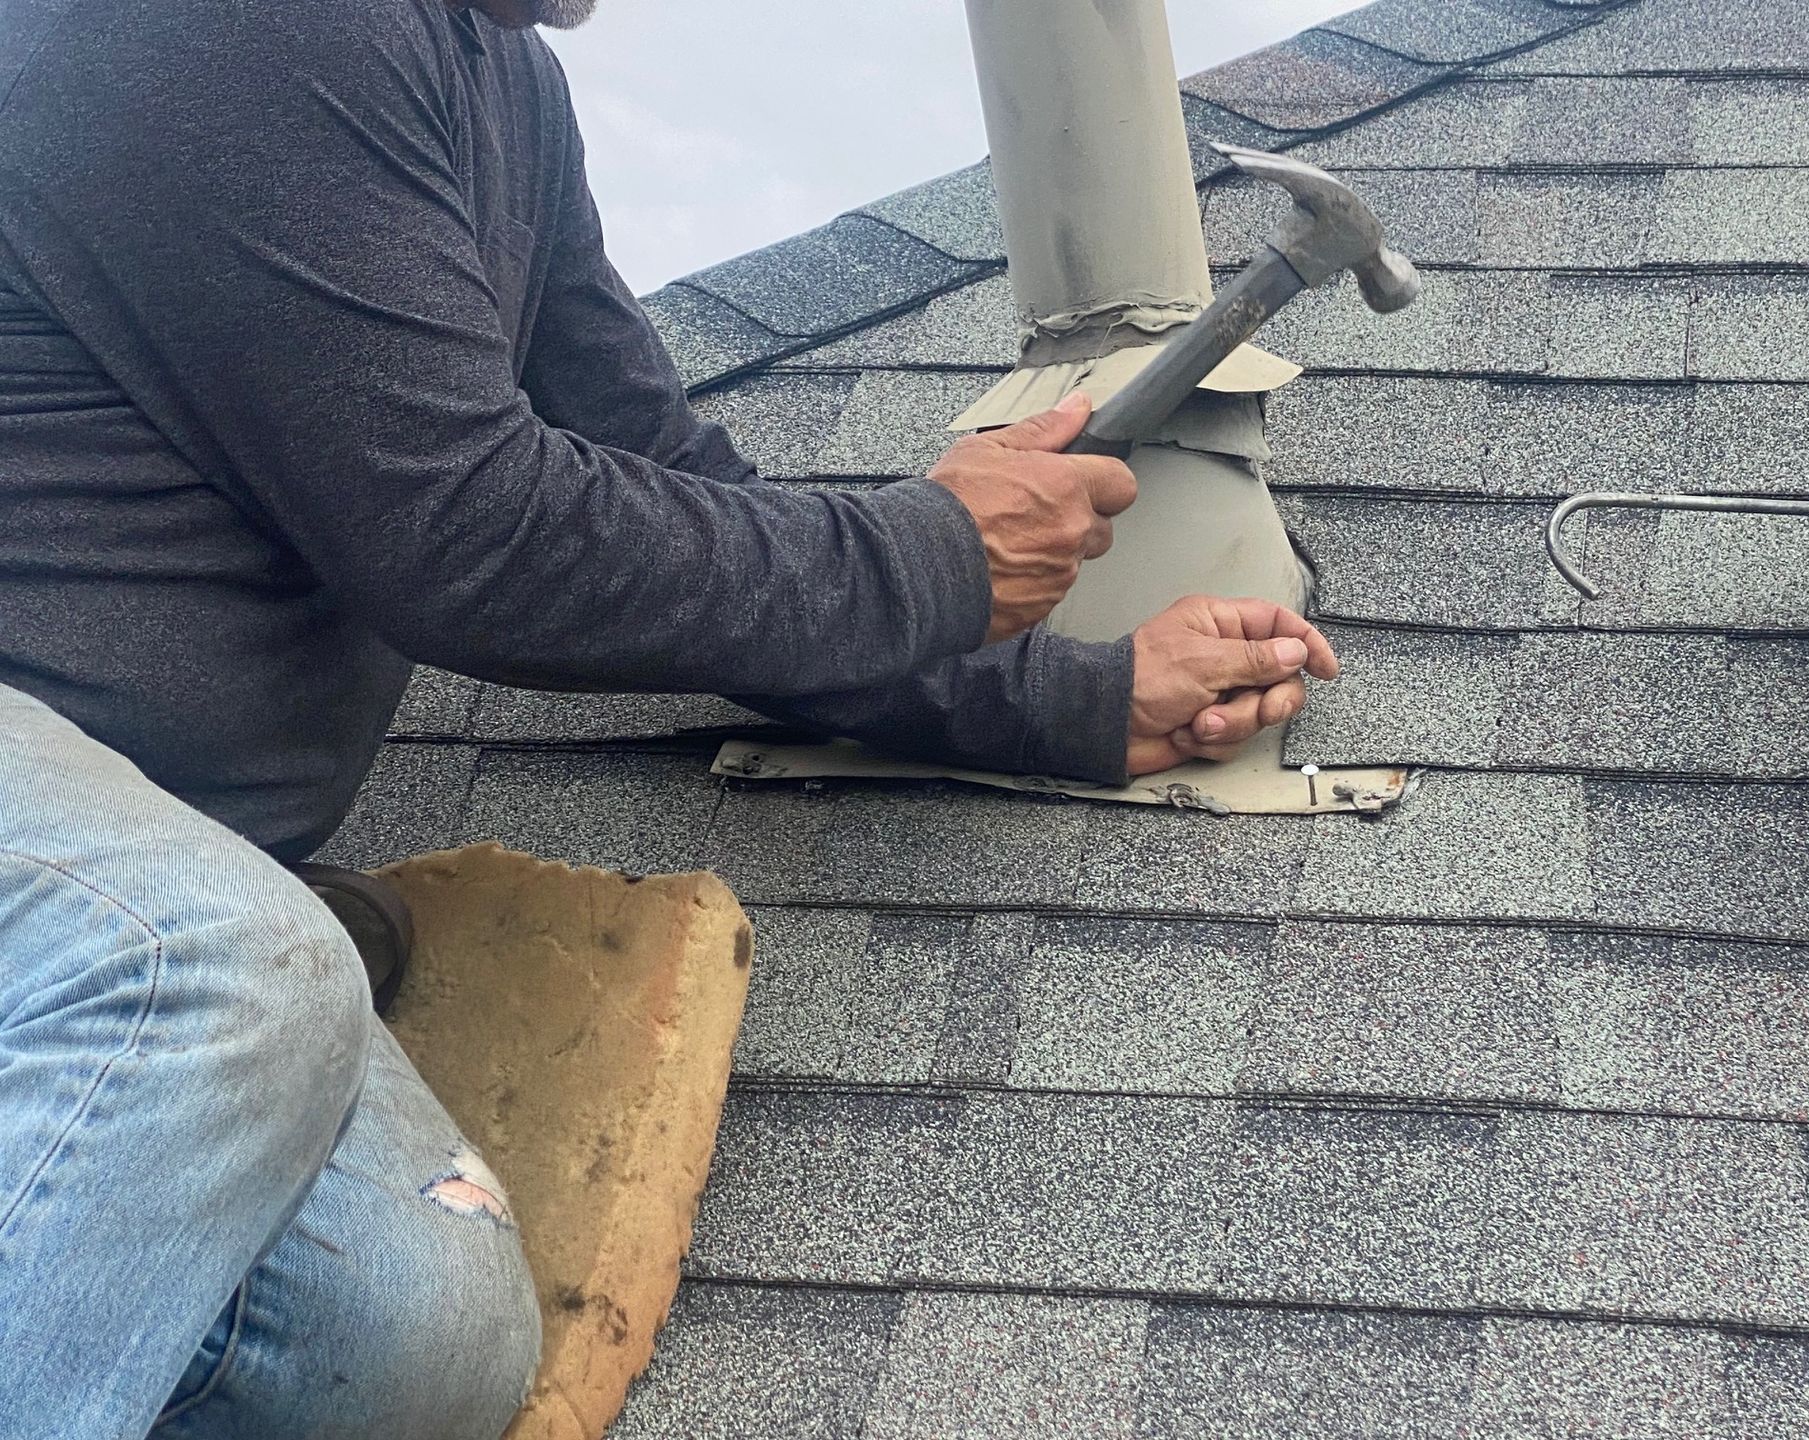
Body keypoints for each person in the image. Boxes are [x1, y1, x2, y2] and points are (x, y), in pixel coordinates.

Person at [0, 0, 1340, 1433]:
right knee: (205, 972)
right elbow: (470, 535)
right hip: (86, 852)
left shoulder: (502, 87)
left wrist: (1062, 698)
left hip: (152, 874)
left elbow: (659, 487)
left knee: (410, 1335)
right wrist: (930, 555)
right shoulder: (235, 24)